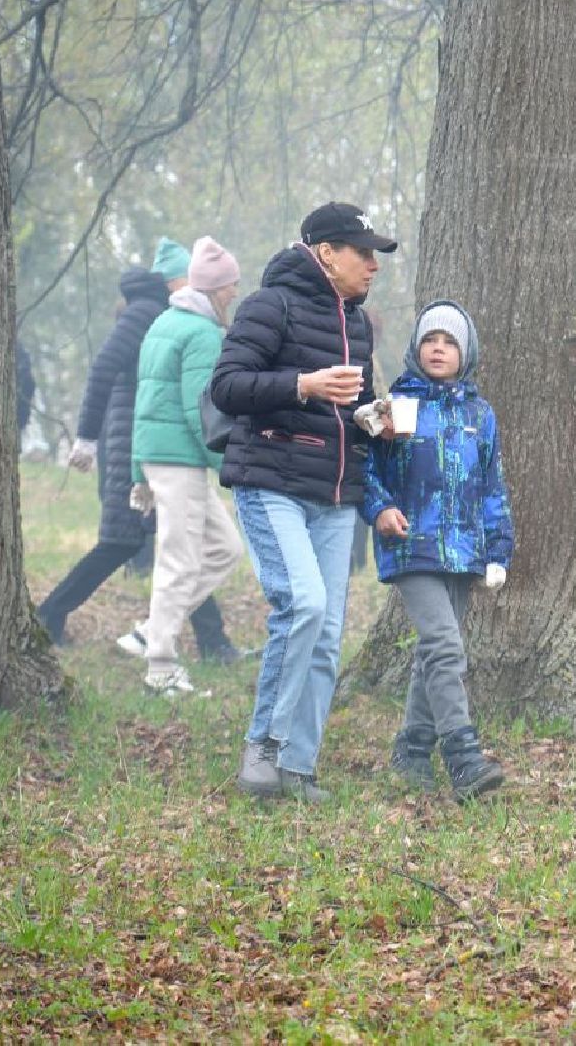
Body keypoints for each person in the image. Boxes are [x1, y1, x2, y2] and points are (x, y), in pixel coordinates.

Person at [211, 202, 396, 804]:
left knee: (328, 634)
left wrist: (377, 419)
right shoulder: (270, 305)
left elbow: (356, 408)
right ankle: (262, 745)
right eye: (362, 252)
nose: (373, 265)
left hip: (337, 495)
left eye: (376, 254)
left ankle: (299, 766)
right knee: (306, 605)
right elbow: (228, 386)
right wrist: (302, 384)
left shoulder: (359, 323)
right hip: (272, 483)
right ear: (325, 253)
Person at [35, 238, 238, 661]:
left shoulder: (164, 315)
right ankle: (53, 614)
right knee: (134, 544)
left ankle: (202, 640)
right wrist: (87, 437)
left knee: (180, 545)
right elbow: (105, 367)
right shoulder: (147, 314)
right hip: (145, 444)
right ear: (174, 279)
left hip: (148, 443)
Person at [359, 301, 513, 802]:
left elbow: (492, 487)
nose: (438, 349)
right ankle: (463, 756)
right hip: (411, 547)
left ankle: (412, 749)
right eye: (430, 341)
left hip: (464, 552)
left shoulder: (480, 415)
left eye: (449, 342)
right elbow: (366, 471)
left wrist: (498, 551)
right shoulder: (397, 407)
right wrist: (380, 509)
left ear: (465, 352)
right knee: (446, 647)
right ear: (415, 349)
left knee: (433, 654)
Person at [129, 237, 246, 695]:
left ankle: (151, 631)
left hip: (163, 457)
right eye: (232, 285)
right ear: (215, 288)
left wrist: (140, 473)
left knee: (225, 548)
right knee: (179, 560)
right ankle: (160, 667)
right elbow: (202, 413)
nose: (235, 293)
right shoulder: (201, 334)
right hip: (179, 459)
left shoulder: (164, 323)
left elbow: (144, 400)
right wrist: (228, 465)